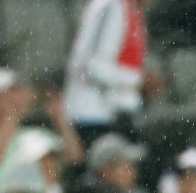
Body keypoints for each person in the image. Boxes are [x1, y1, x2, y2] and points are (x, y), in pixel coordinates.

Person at [64, 0, 155, 140]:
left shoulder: (131, 10)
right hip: (90, 114)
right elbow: (92, 65)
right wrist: (138, 81)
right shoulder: (109, 6)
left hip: (114, 114)